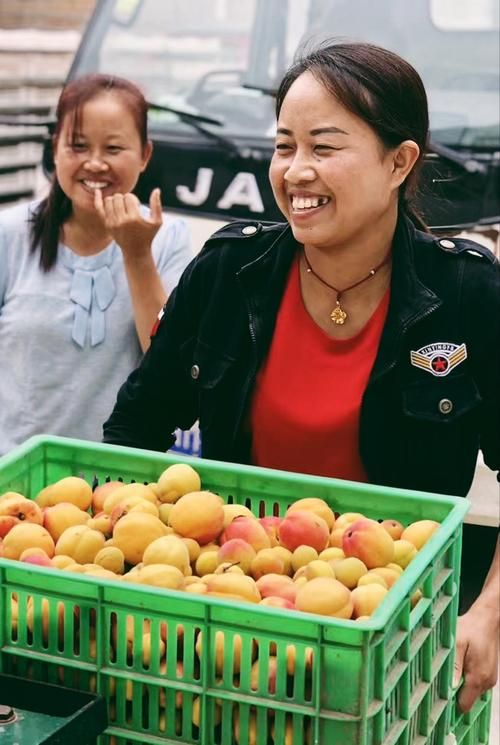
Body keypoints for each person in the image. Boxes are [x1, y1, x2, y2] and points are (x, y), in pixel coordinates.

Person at [103, 42, 499, 712]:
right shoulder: (227, 274)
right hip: (237, 634)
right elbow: (132, 432)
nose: (295, 171)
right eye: (285, 145)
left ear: (399, 162)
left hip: (402, 646)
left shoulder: (469, 295)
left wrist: (487, 615)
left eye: (325, 146)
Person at [0, 73, 192, 455]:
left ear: (145, 155)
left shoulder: (169, 239)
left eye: (114, 148)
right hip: (16, 479)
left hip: (124, 486)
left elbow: (169, 368)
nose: (95, 163)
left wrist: (137, 254)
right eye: (78, 146)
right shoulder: (10, 233)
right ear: (55, 149)